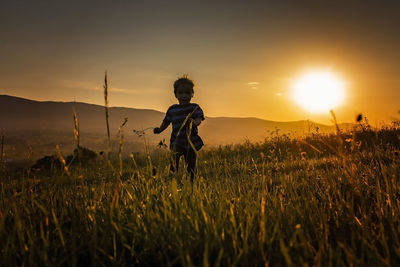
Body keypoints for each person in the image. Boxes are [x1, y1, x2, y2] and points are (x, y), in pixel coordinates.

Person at [154, 75, 205, 182]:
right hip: (176, 142)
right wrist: (159, 129)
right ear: (175, 94)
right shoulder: (172, 109)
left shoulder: (194, 107)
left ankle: (192, 183)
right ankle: (174, 182)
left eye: (187, 93)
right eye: (181, 93)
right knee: (173, 163)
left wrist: (194, 122)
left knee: (191, 166)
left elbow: (199, 119)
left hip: (191, 142)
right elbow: (166, 121)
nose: (184, 96)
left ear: (192, 94)